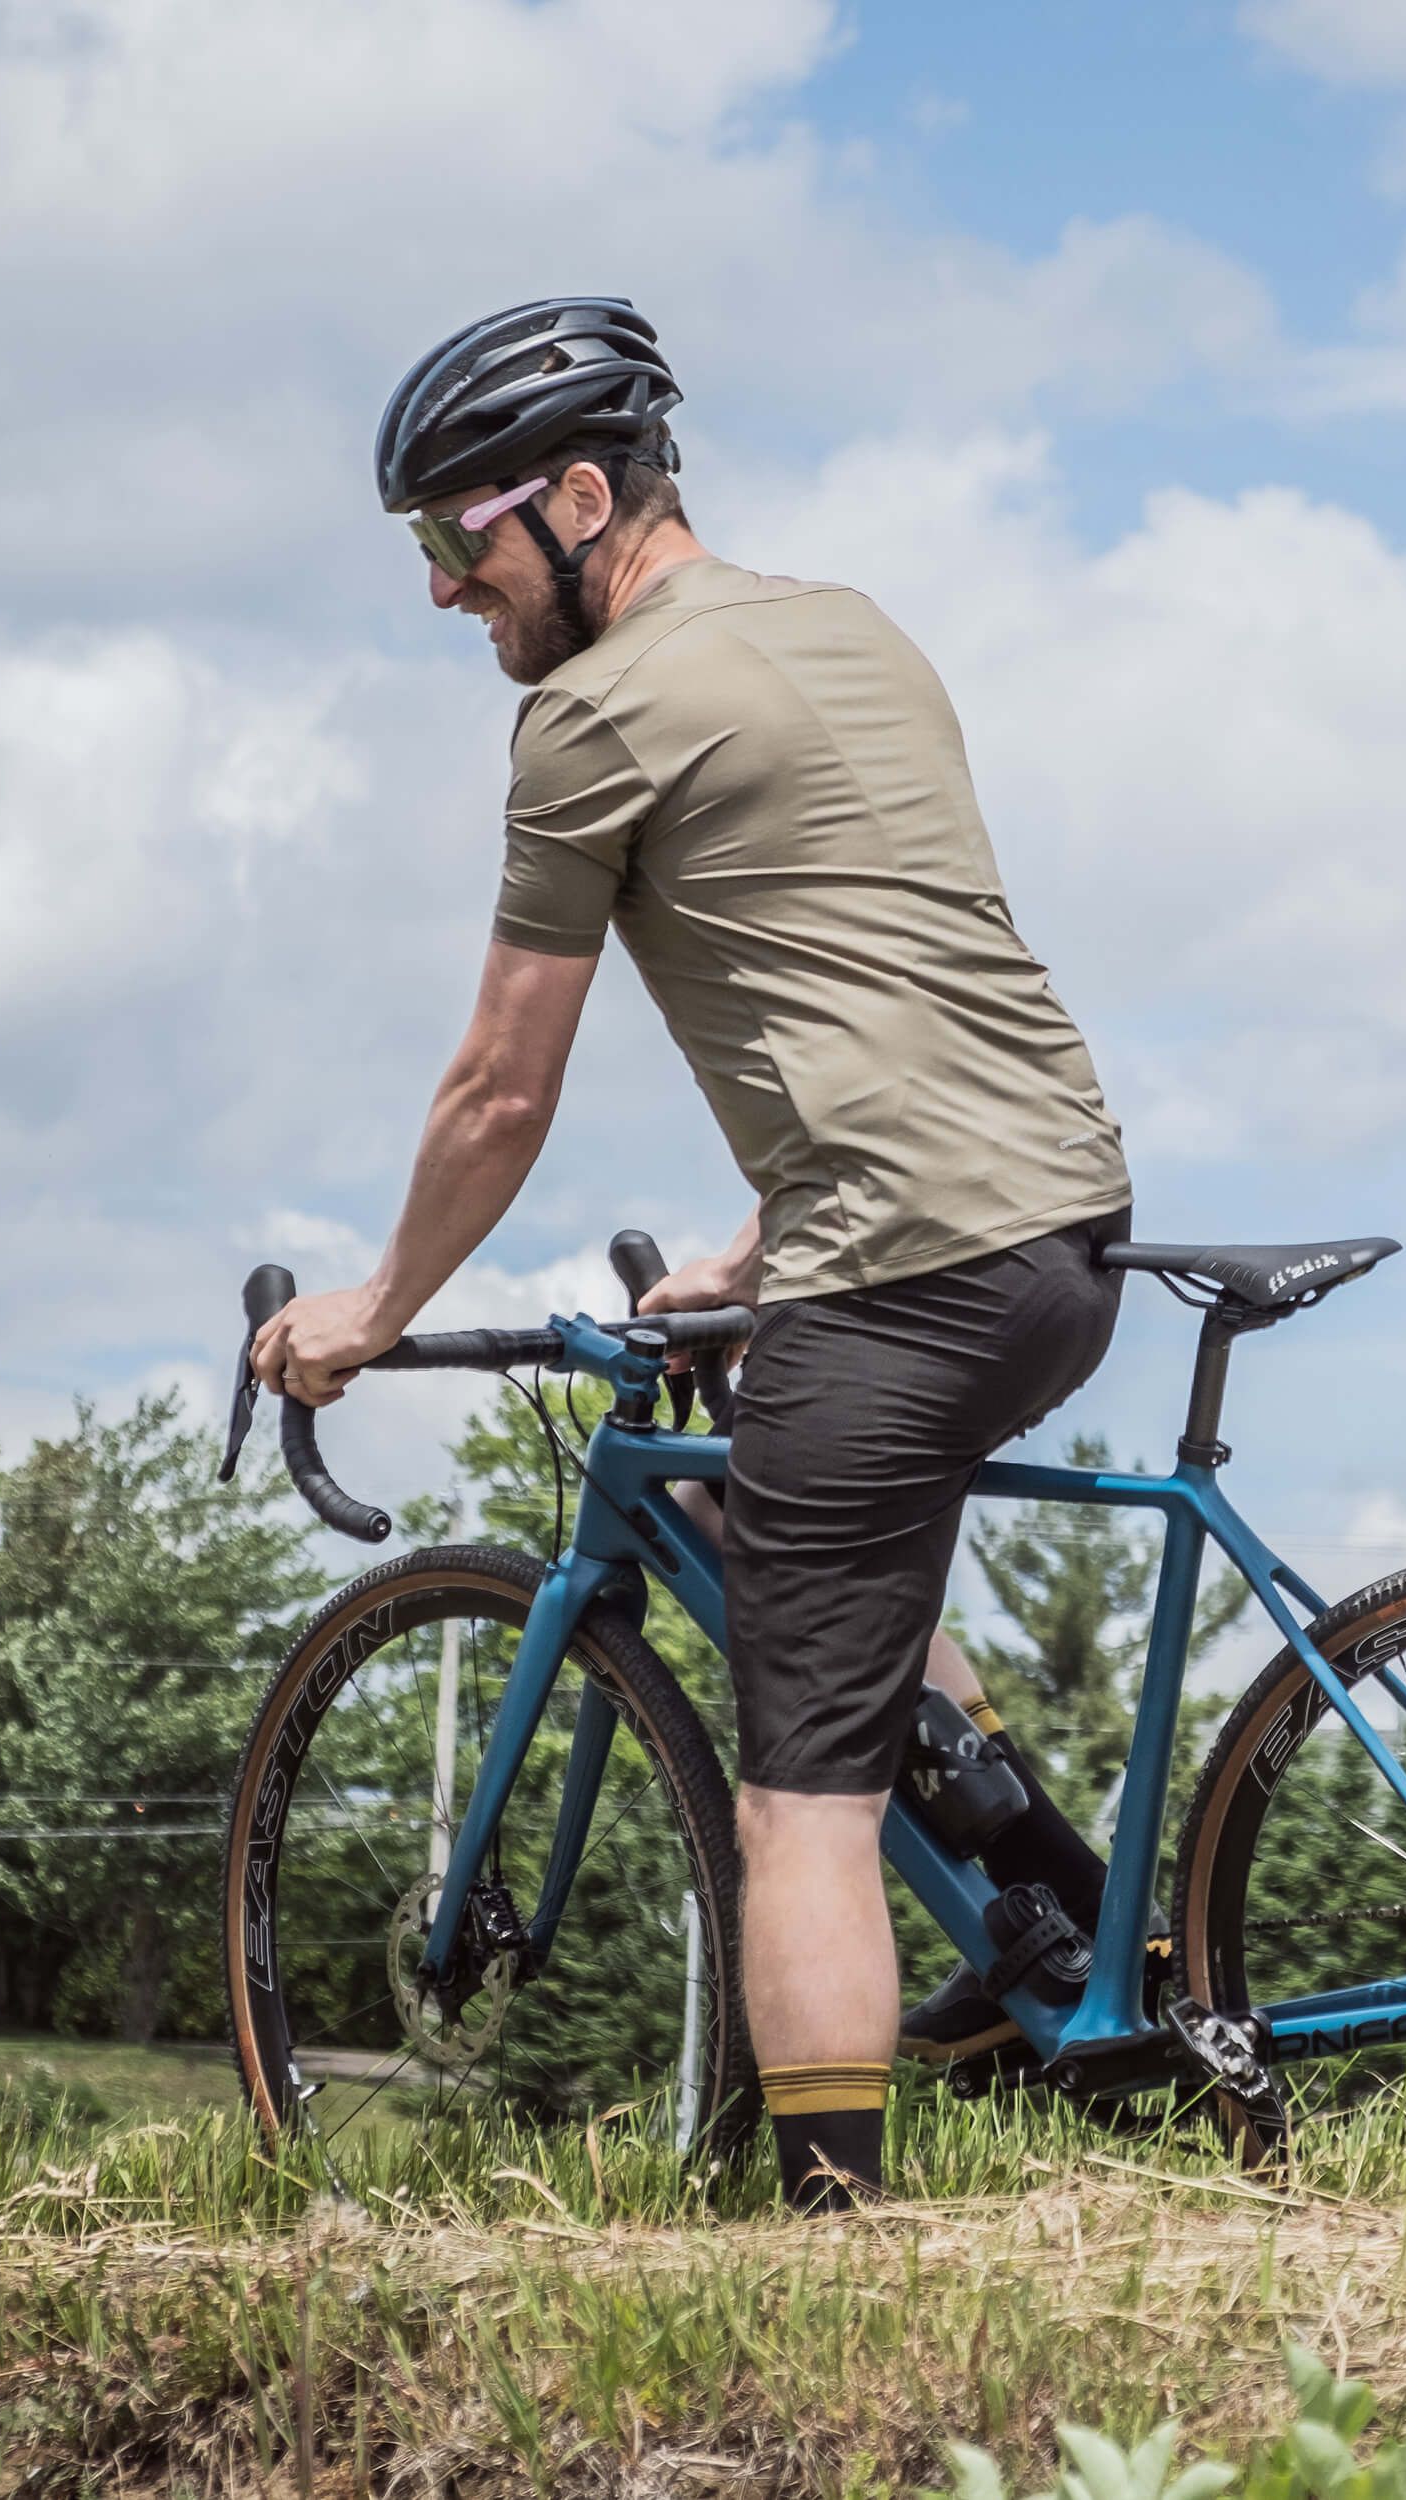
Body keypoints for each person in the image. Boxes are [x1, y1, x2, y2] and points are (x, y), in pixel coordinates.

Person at [247, 298, 1132, 2208]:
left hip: (907, 1265)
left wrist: (370, 1311)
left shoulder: (591, 718)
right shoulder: (851, 627)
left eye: (451, 541)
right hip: (1061, 1221)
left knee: (792, 1797)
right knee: (804, 1516)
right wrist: (757, 1239)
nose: (436, 593)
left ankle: (837, 2231)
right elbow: (896, 973)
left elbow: (499, 1089)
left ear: (578, 497)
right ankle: (1048, 1929)